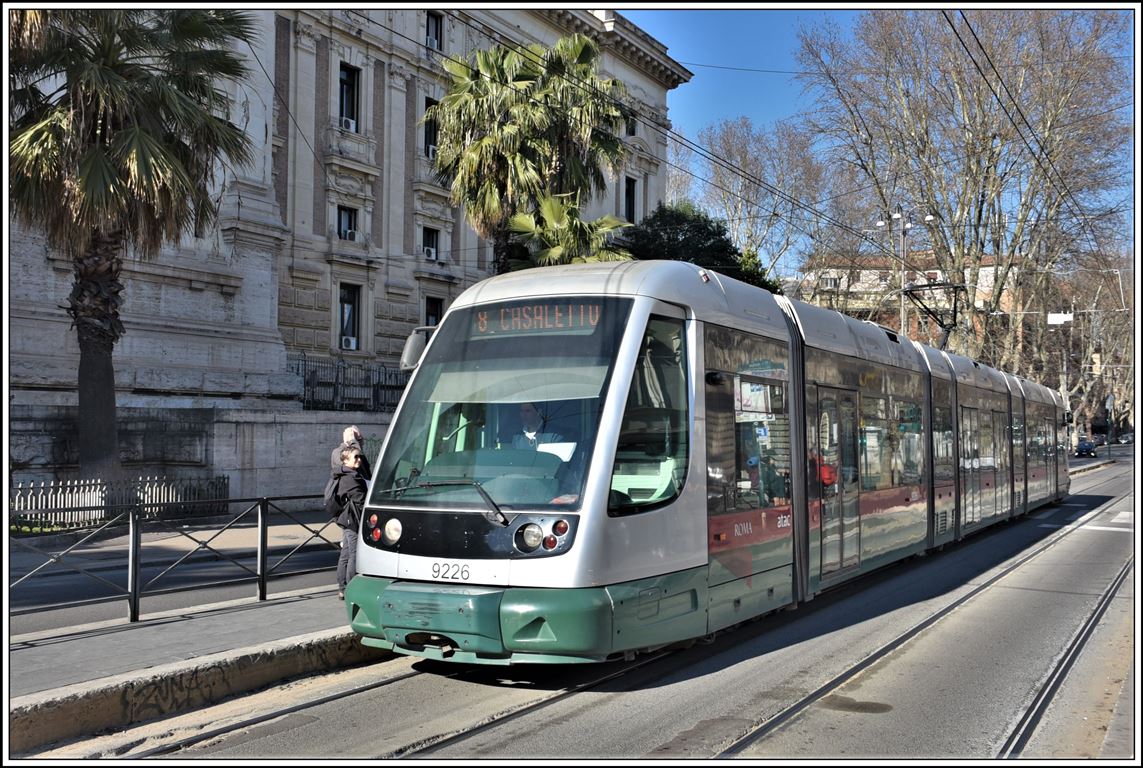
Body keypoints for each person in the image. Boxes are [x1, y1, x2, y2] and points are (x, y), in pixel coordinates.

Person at [332, 447, 367, 600]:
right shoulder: (349, 478)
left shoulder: (348, 474)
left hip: (347, 519)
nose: (359, 459)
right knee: (354, 554)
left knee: (346, 554)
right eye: (356, 457)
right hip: (352, 520)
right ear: (346, 460)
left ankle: (343, 587)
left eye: (360, 456)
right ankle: (351, 588)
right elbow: (360, 499)